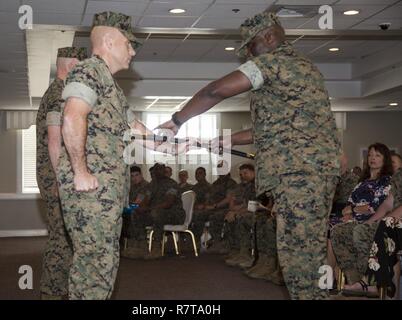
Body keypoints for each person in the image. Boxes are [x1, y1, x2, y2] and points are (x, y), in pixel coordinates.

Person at [157, 12, 340, 299]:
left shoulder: (275, 62)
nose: (247, 54)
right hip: (309, 176)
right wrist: (218, 140)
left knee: (299, 260)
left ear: (268, 37)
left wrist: (177, 120)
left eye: (250, 46)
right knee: (303, 255)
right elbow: (265, 130)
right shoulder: (304, 68)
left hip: (301, 177)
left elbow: (215, 90)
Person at [57, 11, 163, 299]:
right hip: (91, 190)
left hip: (107, 192)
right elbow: (72, 117)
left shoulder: (111, 85)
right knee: (93, 266)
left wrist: (171, 145)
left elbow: (136, 128)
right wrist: (80, 171)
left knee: (104, 264)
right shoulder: (89, 71)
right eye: (129, 44)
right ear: (109, 41)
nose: (132, 52)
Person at [35, 46, 87, 300]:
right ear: (72, 65)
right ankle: (53, 293)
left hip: (56, 178)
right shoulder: (60, 93)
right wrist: (60, 180)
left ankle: (56, 291)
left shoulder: (56, 91)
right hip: (57, 178)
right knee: (62, 240)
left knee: (63, 238)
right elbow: (55, 142)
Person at [331, 143, 393, 290]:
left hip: (371, 221)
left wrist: (352, 210)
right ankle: (350, 278)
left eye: (378, 155)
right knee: (333, 229)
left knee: (341, 230)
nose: (372, 158)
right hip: (353, 219)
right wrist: (348, 211)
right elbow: (350, 203)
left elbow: (374, 207)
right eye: (370, 155)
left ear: (385, 160)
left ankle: (361, 280)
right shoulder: (362, 182)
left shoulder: (386, 181)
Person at [343, 153, 402, 297]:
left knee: (386, 225)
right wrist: (372, 221)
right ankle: (378, 282)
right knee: (378, 227)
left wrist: (389, 218)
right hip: (394, 224)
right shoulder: (398, 179)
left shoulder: (387, 181)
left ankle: (373, 282)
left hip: (396, 222)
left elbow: (377, 206)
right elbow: (387, 204)